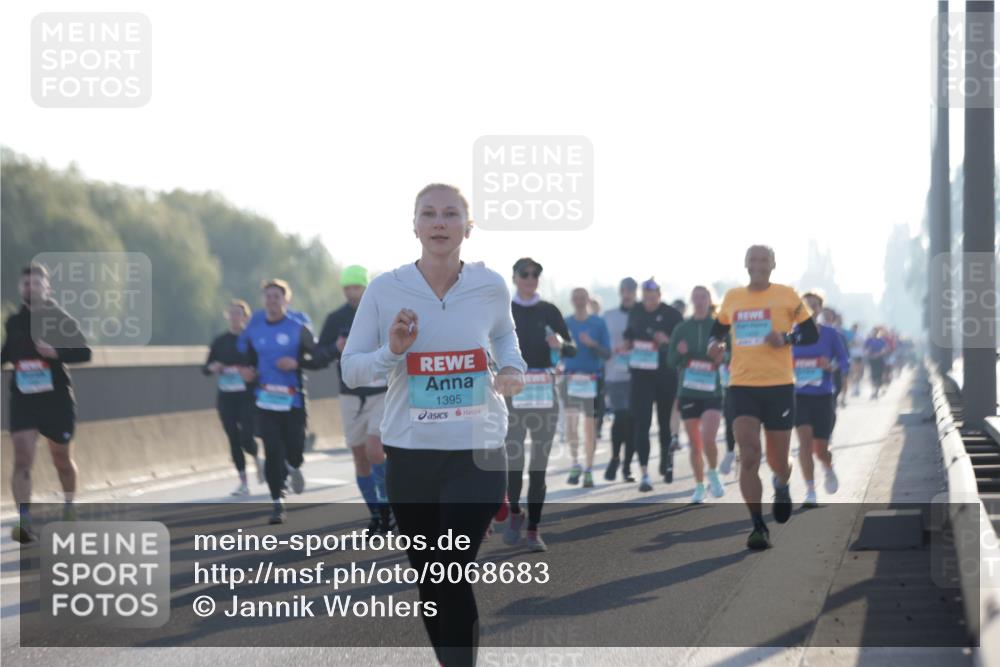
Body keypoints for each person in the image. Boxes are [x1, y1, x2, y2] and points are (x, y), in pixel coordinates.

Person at [340, 183, 526, 667]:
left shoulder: (489, 286)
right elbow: (351, 367)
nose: (439, 223)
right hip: (412, 455)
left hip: (479, 451)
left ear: (468, 226)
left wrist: (512, 369)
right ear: (415, 226)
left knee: (451, 570)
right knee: (429, 575)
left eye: (450, 214)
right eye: (429, 214)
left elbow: (506, 337)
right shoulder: (386, 290)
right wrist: (393, 352)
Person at [708, 245, 818, 550]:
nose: (757, 264)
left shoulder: (787, 295)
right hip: (742, 386)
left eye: (763, 260)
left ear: (772, 265)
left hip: (779, 387)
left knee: (777, 460)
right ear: (745, 264)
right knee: (749, 454)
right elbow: (716, 331)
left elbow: (811, 333)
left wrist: (787, 338)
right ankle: (757, 526)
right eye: (752, 260)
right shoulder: (733, 298)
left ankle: (782, 483)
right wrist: (714, 345)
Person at [3, 264, 92, 543]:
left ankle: (69, 508)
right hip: (24, 399)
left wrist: (55, 352)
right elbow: (6, 352)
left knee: (62, 461)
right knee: (22, 458)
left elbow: (84, 352)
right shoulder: (14, 322)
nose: (31, 288)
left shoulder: (60, 318)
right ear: (21, 288)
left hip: (56, 400)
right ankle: (25, 522)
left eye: (36, 283)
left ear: (47, 288)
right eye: (26, 283)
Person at [314, 265, 393, 534]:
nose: (351, 293)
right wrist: (334, 349)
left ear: (366, 287)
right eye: (347, 288)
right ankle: (375, 514)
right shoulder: (335, 318)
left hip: (380, 394)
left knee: (375, 450)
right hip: (349, 395)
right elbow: (316, 355)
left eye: (356, 287)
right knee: (360, 457)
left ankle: (387, 507)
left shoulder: (382, 311)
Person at [504, 257, 575, 551]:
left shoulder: (549, 311)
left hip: (545, 395)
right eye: (525, 274)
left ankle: (533, 529)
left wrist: (561, 343)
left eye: (535, 274)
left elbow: (572, 347)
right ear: (515, 277)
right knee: (513, 461)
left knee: (539, 465)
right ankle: (516, 513)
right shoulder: (505, 310)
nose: (531, 278)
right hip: (514, 395)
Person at [237, 279, 321, 524]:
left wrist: (297, 363)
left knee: (294, 449)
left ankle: (294, 466)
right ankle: (277, 502)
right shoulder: (255, 327)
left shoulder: (298, 327)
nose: (272, 301)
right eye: (268, 297)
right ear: (263, 300)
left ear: (286, 300)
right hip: (265, 400)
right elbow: (246, 358)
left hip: (293, 400)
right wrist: (247, 371)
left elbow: (317, 358)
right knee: (272, 450)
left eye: (277, 297)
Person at [667, 286, 725, 503]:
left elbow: (730, 356)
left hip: (712, 391)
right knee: (695, 443)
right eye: (696, 297)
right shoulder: (682, 328)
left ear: (710, 300)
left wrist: (722, 356)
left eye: (704, 297)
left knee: (709, 438)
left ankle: (713, 472)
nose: (699, 301)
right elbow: (670, 361)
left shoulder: (718, 326)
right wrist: (680, 352)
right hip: (689, 390)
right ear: (691, 300)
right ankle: (699, 486)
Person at [624, 278, 683, 491]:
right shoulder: (636, 311)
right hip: (641, 375)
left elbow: (682, 345)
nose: (648, 302)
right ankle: (644, 473)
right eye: (645, 298)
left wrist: (668, 340)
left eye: (652, 298)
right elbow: (629, 333)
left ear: (659, 295)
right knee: (642, 423)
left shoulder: (672, 314)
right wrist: (627, 343)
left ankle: (666, 462)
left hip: (665, 375)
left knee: (665, 423)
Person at [203, 299, 263, 496]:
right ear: (227, 316)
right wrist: (214, 367)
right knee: (233, 438)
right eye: (232, 313)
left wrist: (250, 371)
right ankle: (243, 482)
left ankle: (257, 457)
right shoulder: (220, 341)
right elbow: (206, 367)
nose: (235, 317)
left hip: (247, 395)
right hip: (226, 397)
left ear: (246, 317)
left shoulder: (252, 340)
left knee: (246, 437)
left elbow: (262, 364)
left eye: (239, 313)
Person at [794, 292, 849, 507]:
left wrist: (832, 366)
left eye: (814, 305)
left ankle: (827, 467)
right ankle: (810, 490)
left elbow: (844, 360)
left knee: (821, 448)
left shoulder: (830, 334)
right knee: (804, 443)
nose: (810, 308)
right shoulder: (793, 333)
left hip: (823, 395)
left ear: (819, 309)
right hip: (800, 395)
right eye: (805, 305)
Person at [563, 288, 611, 488]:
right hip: (572, 379)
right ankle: (575, 463)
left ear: (588, 300)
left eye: (583, 297)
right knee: (571, 425)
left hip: (593, 379)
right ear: (572, 300)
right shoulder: (566, 323)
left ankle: (589, 469)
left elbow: (607, 354)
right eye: (576, 297)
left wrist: (592, 344)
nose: (580, 301)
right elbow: (557, 351)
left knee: (589, 427)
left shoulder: (598, 323)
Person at [602, 278, 638, 481]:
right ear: (620, 292)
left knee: (633, 422)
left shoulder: (642, 315)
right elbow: (601, 342)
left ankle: (627, 467)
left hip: (638, 376)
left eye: (631, 290)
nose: (628, 293)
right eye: (625, 290)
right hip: (614, 374)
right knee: (621, 417)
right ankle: (615, 457)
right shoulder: (608, 316)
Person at [865, 327, 890, 399]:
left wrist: (880, 353)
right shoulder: (869, 340)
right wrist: (868, 352)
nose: (875, 333)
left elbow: (886, 349)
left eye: (876, 332)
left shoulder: (881, 340)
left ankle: (877, 391)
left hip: (880, 360)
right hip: (872, 360)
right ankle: (873, 390)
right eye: (874, 331)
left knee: (879, 375)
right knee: (873, 375)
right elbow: (865, 349)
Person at [848, 323, 865, 396]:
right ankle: (854, 388)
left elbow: (863, 344)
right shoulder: (849, 335)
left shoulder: (860, 335)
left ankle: (856, 388)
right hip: (851, 355)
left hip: (858, 356)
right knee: (852, 373)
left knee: (857, 372)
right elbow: (847, 344)